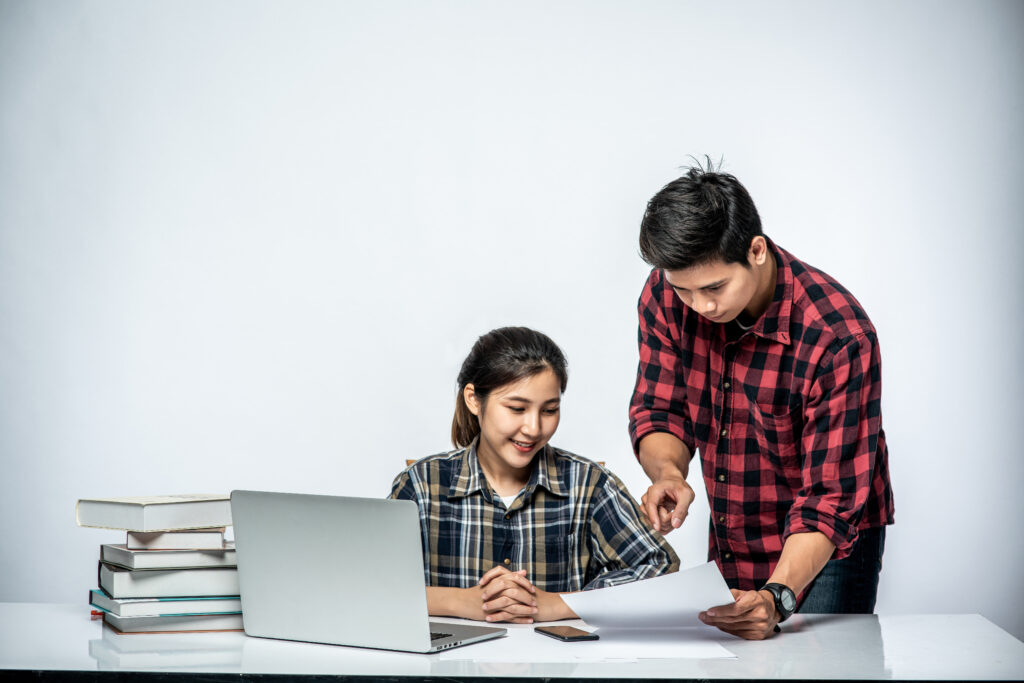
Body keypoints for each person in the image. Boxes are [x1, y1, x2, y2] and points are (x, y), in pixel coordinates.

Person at [629, 164, 895, 640]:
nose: (700, 306)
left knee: (823, 674)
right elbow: (659, 408)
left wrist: (778, 596)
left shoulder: (838, 336)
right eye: (684, 290)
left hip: (829, 544)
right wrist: (668, 474)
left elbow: (829, 500)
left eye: (714, 288)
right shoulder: (667, 297)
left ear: (756, 249)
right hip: (735, 528)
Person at [391, 326, 679, 624]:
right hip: (443, 668)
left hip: (562, 667)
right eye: (517, 409)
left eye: (549, 410)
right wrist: (462, 602)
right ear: (474, 400)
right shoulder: (422, 484)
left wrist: (558, 605)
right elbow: (371, 584)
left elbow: (661, 567)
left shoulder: (588, 484)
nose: (533, 428)